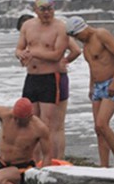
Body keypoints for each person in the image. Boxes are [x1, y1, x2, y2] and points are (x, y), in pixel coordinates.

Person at [66, 16, 114, 168]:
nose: (77, 39)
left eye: (76, 36)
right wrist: (91, 86)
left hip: (110, 84)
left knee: (102, 124)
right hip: (97, 87)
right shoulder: (86, 46)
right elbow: (93, 67)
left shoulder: (101, 34)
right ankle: (104, 166)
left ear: (82, 29)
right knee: (98, 129)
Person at [16, 14, 81, 159]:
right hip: (35, 79)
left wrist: (64, 61)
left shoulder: (57, 29)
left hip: (55, 78)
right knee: (35, 123)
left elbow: (75, 50)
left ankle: (56, 160)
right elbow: (22, 54)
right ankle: (36, 159)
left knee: (53, 125)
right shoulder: (32, 33)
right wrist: (24, 57)